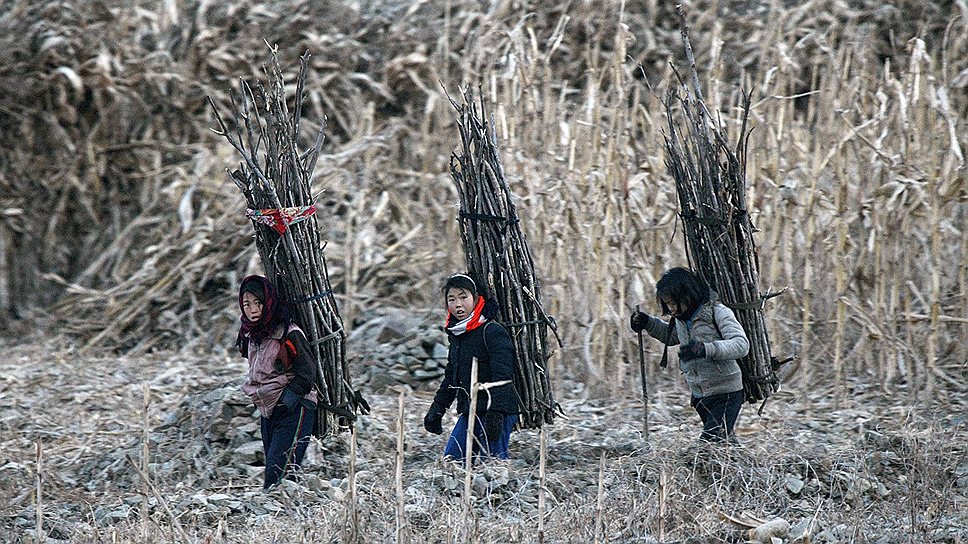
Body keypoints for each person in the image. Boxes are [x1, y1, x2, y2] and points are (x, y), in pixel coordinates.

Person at [630, 267, 750, 443]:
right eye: (667, 304)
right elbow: (670, 337)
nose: (671, 309)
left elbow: (741, 344)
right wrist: (647, 322)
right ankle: (743, 468)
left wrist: (705, 349)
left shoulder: (717, 312)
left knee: (709, 446)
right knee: (724, 444)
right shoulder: (682, 319)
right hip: (700, 396)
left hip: (726, 392)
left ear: (687, 294)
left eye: (673, 303)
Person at [423, 274, 519, 460]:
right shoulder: (458, 334)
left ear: (476, 298)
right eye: (451, 299)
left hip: (496, 411)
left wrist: (496, 413)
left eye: (463, 297)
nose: (457, 304)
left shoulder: (491, 331)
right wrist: (437, 408)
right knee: (452, 461)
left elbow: (504, 375)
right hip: (471, 410)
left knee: (491, 467)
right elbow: (452, 375)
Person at [236, 275, 318, 489]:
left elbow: (307, 373)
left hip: (294, 408)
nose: (253, 310)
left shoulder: (288, 333)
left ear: (268, 302)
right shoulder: (250, 335)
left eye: (258, 303)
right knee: (275, 471)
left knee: (279, 479)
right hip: (268, 409)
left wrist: (287, 400)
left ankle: (281, 518)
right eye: (247, 304)